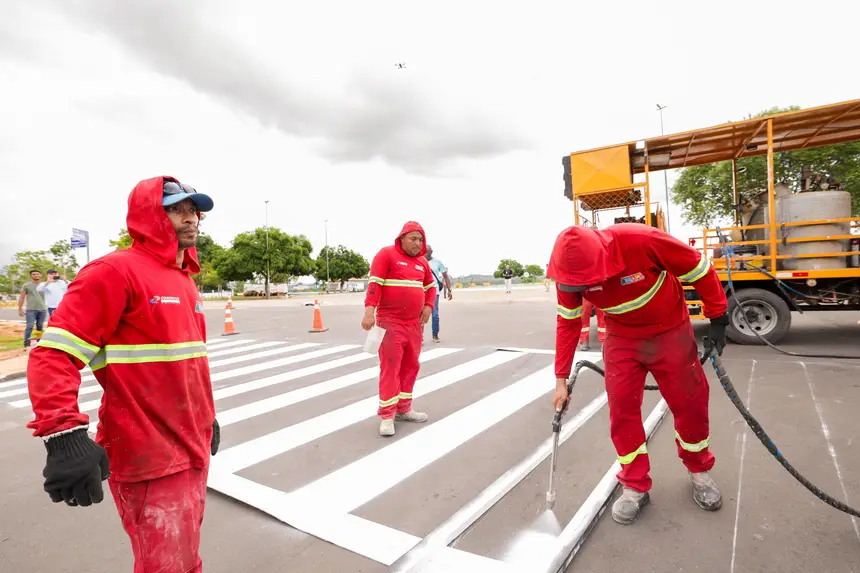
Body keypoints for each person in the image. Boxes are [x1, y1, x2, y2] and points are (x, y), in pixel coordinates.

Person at [25, 176, 220, 573]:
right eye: (175, 209)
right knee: (167, 566)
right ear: (149, 215)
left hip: (190, 445)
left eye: (192, 210)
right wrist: (63, 435)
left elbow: (183, 363)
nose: (190, 219)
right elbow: (53, 355)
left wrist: (206, 416)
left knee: (185, 558)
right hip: (148, 453)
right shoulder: (114, 271)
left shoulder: (183, 280)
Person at [547, 223, 729, 525]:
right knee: (622, 411)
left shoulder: (641, 241)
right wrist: (560, 381)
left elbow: (699, 268)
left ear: (604, 257)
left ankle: (699, 471)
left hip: (669, 330)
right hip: (622, 339)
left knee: (690, 403)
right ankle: (634, 485)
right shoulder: (569, 277)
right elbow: (567, 323)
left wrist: (718, 316)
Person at [362, 221, 437, 436]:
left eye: (421, 239)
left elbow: (431, 288)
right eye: (413, 238)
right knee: (391, 368)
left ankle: (404, 409)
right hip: (390, 322)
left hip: (414, 324)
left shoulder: (422, 262)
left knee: (411, 366)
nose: (417, 243)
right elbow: (375, 285)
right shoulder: (386, 255)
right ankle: (387, 415)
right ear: (402, 238)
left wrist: (428, 307)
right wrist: (369, 312)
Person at [425, 245, 453, 344]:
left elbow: (445, 276)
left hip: (434, 291)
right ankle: (419, 338)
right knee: (419, 314)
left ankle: (435, 335)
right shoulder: (419, 261)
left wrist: (449, 290)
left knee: (435, 314)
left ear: (431, 252)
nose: (424, 254)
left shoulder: (437, 262)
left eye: (427, 252)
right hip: (421, 291)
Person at [19, 269, 48, 348]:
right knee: (29, 326)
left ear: (41, 275)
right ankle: (26, 343)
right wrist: (20, 309)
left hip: (42, 309)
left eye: (37, 274)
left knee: (40, 327)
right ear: (30, 276)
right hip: (30, 309)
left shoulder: (45, 285)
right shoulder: (26, 285)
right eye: (34, 274)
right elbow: (22, 297)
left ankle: (39, 343)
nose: (36, 276)